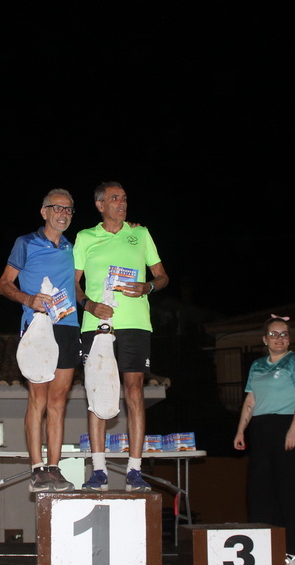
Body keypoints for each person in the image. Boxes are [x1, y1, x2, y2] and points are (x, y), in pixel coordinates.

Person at [74, 181, 168, 492]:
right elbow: (73, 283)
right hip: (96, 324)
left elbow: (162, 276)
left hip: (136, 324)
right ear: (100, 205)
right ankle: (98, 470)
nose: (122, 203)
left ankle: (135, 470)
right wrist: (89, 304)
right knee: (98, 393)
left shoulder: (140, 234)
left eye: (124, 198)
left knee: (134, 391)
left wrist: (148, 286)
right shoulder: (85, 237)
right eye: (115, 198)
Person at [0, 188, 80, 492]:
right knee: (38, 399)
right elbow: (3, 284)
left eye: (69, 209)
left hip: (68, 326)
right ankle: (36, 468)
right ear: (44, 212)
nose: (63, 214)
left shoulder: (73, 248)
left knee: (59, 401)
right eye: (57, 208)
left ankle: (54, 469)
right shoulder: (26, 243)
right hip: (38, 326)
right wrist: (28, 299)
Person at [233, 315, 295, 565]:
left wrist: (294, 429)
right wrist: (240, 431)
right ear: (264, 339)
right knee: (261, 490)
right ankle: (264, 547)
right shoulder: (257, 365)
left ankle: (294, 550)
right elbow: (250, 400)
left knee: (292, 490)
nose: (279, 338)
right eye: (274, 334)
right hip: (261, 429)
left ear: (289, 339)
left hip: (288, 426)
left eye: (284, 334)